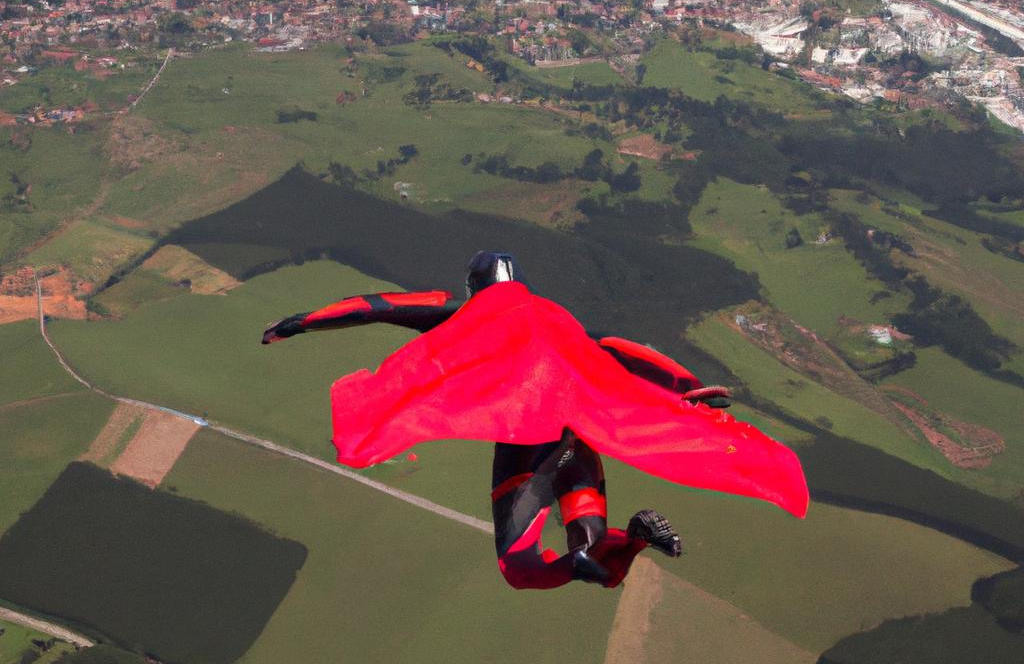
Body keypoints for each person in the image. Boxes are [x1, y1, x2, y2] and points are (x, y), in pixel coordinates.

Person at [262, 251, 808, 590]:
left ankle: (592, 558)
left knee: (520, 566)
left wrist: (300, 323)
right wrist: (687, 388)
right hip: (579, 442)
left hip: (528, 450)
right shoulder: (558, 322)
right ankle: (624, 544)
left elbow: (375, 305)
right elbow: (620, 350)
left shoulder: (467, 315)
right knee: (588, 547)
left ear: (476, 289)